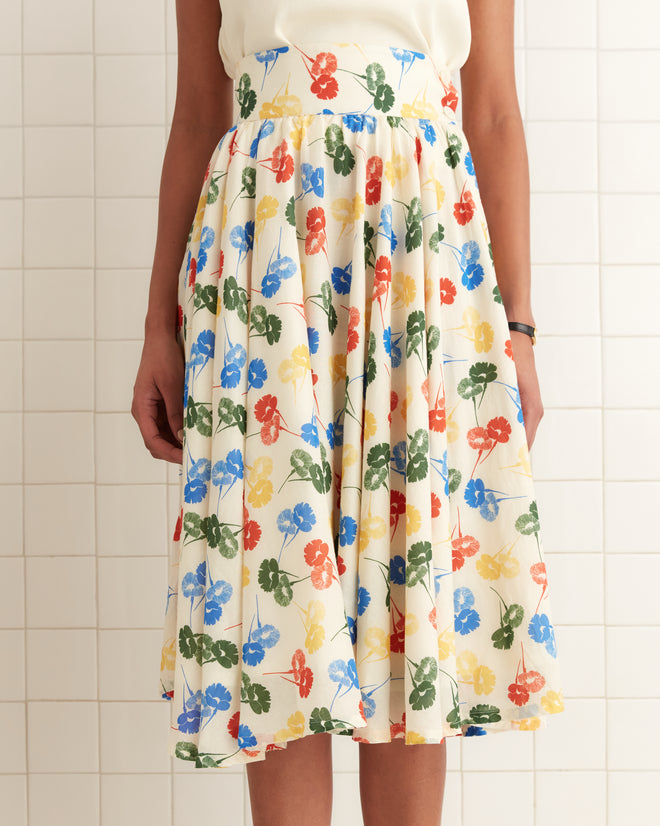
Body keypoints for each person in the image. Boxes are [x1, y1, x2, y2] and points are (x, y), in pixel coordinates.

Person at [132, 1, 565, 824]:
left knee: (409, 562)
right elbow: (197, 110)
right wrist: (160, 323)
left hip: (419, 240)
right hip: (266, 246)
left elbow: (498, 109)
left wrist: (518, 330)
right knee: (279, 575)